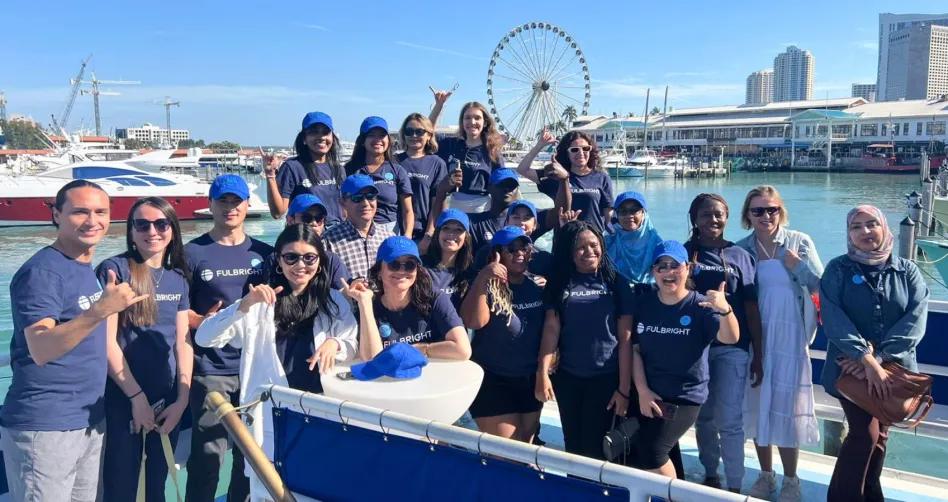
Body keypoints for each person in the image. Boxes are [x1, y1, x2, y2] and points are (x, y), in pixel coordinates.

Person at [0, 180, 146, 502]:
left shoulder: (84, 268)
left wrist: (135, 394)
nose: (92, 220)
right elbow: (40, 348)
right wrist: (101, 311)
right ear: (57, 215)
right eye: (80, 211)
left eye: (100, 212)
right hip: (46, 425)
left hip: (88, 419)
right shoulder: (42, 272)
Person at [196, 223, 358, 501]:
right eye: (291, 257)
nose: (300, 265)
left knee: (313, 488)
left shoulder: (333, 302)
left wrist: (336, 343)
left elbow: (352, 344)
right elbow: (205, 337)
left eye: (309, 257)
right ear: (279, 262)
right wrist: (243, 305)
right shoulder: (258, 302)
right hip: (268, 417)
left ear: (319, 263)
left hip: (317, 413)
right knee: (266, 491)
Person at [821, 205, 928, 502]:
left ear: (884, 227)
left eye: (871, 224)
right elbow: (833, 317)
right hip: (849, 371)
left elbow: (915, 320)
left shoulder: (907, 271)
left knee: (880, 438)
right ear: (849, 234)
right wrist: (863, 359)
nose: (865, 232)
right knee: (864, 434)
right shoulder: (838, 270)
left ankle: (870, 492)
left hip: (893, 373)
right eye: (856, 227)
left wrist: (878, 361)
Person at [95, 197, 192, 502]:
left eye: (161, 223)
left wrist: (181, 400)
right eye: (142, 224)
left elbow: (182, 341)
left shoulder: (177, 279)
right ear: (132, 231)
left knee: (156, 486)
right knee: (121, 486)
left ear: (172, 230)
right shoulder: (115, 270)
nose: (152, 231)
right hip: (123, 400)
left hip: (166, 402)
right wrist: (136, 398)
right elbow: (106, 341)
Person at [184, 174, 272, 502]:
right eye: (223, 201)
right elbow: (180, 313)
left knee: (248, 458)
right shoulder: (192, 253)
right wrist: (205, 320)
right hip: (211, 371)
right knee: (208, 456)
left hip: (254, 370)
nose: (230, 208)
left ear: (248, 206)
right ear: (210, 205)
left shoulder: (266, 253)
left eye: (236, 202)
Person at [736, 186, 821, 501]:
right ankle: (765, 475)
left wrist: (796, 265)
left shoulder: (799, 242)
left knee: (787, 406)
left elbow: (820, 285)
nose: (765, 216)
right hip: (757, 339)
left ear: (780, 211)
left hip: (791, 338)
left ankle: (791, 479)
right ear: (748, 215)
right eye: (757, 210)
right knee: (759, 407)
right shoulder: (742, 249)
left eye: (771, 209)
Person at [632, 240, 739, 479]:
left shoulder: (700, 305)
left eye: (674, 265)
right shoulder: (644, 304)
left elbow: (730, 337)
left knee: (653, 453)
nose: (668, 272)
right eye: (661, 266)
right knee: (642, 452)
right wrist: (643, 391)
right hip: (652, 393)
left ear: (688, 268)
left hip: (685, 397)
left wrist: (724, 310)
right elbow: (636, 351)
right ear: (653, 272)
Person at [535, 221, 633, 460]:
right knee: (573, 443)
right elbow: (551, 329)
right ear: (569, 251)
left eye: (594, 245)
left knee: (595, 447)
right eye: (580, 247)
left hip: (605, 378)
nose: (589, 251)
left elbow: (625, 338)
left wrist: (624, 389)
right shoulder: (559, 283)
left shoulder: (616, 283)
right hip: (568, 377)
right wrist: (542, 373)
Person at [684, 192, 762, 493]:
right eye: (706, 214)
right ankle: (710, 472)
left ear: (727, 217)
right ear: (695, 219)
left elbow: (752, 309)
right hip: (696, 349)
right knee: (703, 417)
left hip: (733, 349)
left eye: (718, 214)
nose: (713, 220)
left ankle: (735, 484)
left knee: (730, 419)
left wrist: (759, 354)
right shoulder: (684, 253)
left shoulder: (741, 255)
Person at [461, 226, 545, 443]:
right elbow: (473, 322)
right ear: (496, 254)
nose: (519, 253)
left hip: (527, 379)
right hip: (493, 379)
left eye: (524, 247)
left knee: (526, 441)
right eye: (512, 248)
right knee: (510, 448)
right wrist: (483, 277)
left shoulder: (536, 287)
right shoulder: (486, 286)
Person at [344, 236, 471, 361]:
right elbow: (372, 359)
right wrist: (365, 304)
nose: (402, 271)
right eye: (394, 264)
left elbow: (463, 350)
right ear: (379, 271)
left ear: (417, 271)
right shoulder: (369, 306)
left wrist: (423, 349)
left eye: (409, 265)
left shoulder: (435, 299)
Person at [518, 129, 614, 234]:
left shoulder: (601, 177)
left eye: (585, 148)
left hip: (592, 241)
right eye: (574, 150)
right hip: (564, 239)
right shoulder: (556, 176)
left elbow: (608, 214)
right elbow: (523, 169)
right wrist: (540, 145)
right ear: (566, 153)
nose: (581, 153)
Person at [428, 91, 505, 212]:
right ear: (462, 122)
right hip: (454, 210)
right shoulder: (451, 144)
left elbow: (502, 186)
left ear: (484, 122)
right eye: (467, 118)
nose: (472, 122)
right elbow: (427, 132)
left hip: (482, 212)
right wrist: (439, 105)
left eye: (477, 118)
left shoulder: (492, 152)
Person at [265, 111, 346, 225]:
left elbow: (345, 209)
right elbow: (278, 213)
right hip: (307, 234)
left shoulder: (339, 169)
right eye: (314, 132)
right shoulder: (292, 167)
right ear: (304, 139)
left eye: (325, 132)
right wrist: (270, 175)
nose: (321, 137)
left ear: (332, 137)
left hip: (337, 235)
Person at [344, 116, 414, 236]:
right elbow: (343, 205)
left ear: (388, 140)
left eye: (381, 135)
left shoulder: (397, 170)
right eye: (371, 135)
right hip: (357, 230)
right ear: (362, 140)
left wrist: (407, 237)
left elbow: (408, 211)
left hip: (390, 230)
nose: (377, 140)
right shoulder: (349, 170)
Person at [322, 174, 395, 280]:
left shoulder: (389, 237)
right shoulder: (328, 241)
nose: (365, 203)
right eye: (357, 198)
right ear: (343, 202)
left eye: (370, 196)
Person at [397, 113, 448, 241]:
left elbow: (438, 202)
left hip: (422, 233)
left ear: (429, 135)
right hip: (395, 230)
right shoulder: (394, 161)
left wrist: (429, 234)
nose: (414, 136)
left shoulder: (437, 163)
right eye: (409, 131)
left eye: (419, 132)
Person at [284, 193, 350, 289]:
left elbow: (344, 294)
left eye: (319, 218)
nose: (314, 223)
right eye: (307, 218)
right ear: (290, 220)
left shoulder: (332, 260)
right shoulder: (275, 259)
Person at [605, 191, 663, 290]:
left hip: (651, 294)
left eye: (634, 210)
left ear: (643, 213)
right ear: (616, 215)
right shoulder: (608, 242)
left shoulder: (657, 243)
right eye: (623, 211)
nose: (629, 216)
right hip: (618, 294)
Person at [422, 208, 474, 307]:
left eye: (458, 229)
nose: (451, 234)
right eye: (446, 228)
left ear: (466, 237)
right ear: (437, 233)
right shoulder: (421, 268)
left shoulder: (470, 273)